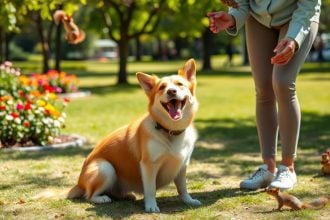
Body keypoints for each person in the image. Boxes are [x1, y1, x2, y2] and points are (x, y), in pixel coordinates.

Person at [207, 0, 321, 190]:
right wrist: (233, 18)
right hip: (258, 20)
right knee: (263, 89)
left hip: (297, 17)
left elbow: (308, 6)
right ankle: (268, 167)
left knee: (282, 83)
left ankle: (287, 167)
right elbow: (242, 3)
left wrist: (293, 39)